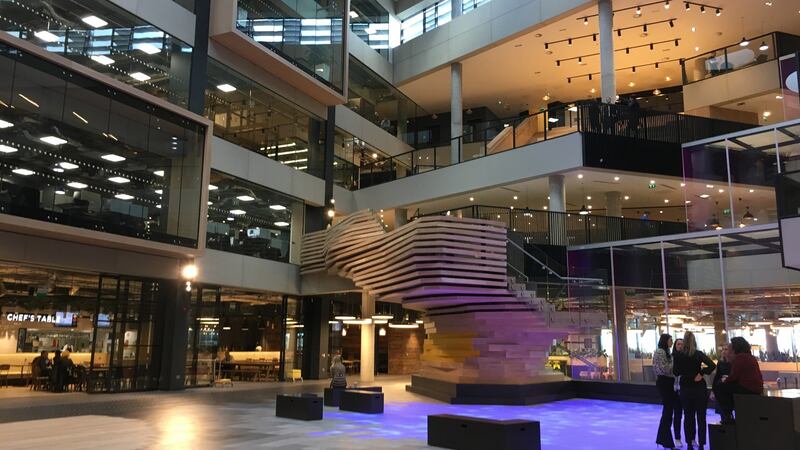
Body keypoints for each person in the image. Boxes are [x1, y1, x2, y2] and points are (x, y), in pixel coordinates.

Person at [673, 331, 716, 450]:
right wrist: (701, 373)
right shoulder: (698, 354)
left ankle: (689, 444)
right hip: (699, 387)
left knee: (688, 416)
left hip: (686, 388)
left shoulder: (679, 356)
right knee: (701, 417)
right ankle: (701, 444)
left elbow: (676, 372)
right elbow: (712, 365)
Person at [716, 337, 764, 424]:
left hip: (748, 388)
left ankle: (727, 415)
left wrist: (724, 380)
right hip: (756, 388)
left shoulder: (740, 358)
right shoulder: (750, 357)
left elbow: (734, 376)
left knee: (719, 386)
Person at [653, 334, 679, 450]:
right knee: (668, 412)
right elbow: (663, 369)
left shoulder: (666, 351)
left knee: (668, 412)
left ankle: (663, 439)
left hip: (668, 383)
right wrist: (674, 364)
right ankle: (666, 441)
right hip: (664, 383)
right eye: (670, 340)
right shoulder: (660, 352)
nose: (672, 342)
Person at [711, 345, 733, 421]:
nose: (724, 351)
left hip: (730, 389)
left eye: (726, 349)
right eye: (723, 349)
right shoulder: (720, 363)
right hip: (721, 388)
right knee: (722, 413)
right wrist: (713, 391)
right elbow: (716, 377)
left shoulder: (733, 363)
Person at [672, 339, 684, 448]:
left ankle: (692, 438)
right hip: (675, 390)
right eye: (678, 344)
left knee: (689, 415)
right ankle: (677, 437)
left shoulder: (687, 357)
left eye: (682, 344)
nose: (680, 346)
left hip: (686, 389)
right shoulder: (672, 358)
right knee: (677, 415)